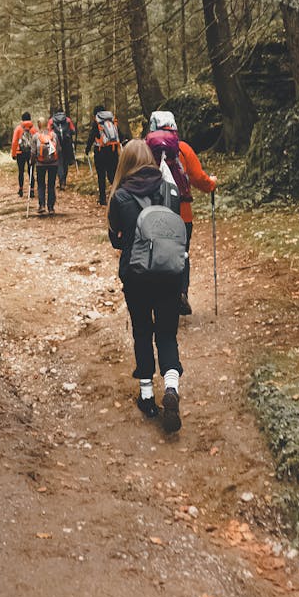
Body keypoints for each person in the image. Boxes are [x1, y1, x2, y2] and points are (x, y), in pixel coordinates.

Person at [108, 139, 184, 433]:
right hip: (170, 273)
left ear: (125, 162)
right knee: (167, 333)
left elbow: (116, 239)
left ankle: (148, 398)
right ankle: (172, 387)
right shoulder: (169, 189)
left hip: (137, 275)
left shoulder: (121, 196)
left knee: (142, 329)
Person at [146, 110, 217, 317]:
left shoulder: (145, 149)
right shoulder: (183, 149)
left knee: (153, 253)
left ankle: (155, 296)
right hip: (182, 215)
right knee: (181, 254)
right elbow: (198, 178)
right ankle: (180, 293)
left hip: (152, 214)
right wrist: (211, 184)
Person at [84, 105, 121, 205]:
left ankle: (103, 199)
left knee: (101, 176)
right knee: (112, 175)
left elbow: (92, 136)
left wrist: (87, 149)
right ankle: (117, 196)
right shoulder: (112, 120)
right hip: (113, 151)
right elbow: (119, 134)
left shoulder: (97, 122)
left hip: (100, 152)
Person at [32, 117, 59, 215]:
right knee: (51, 185)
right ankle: (51, 207)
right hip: (53, 163)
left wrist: (32, 162)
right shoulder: (53, 135)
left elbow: (33, 152)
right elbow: (58, 149)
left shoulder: (36, 136)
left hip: (40, 163)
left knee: (41, 185)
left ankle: (42, 205)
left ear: (39, 125)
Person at [10, 112, 37, 198]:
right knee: (31, 171)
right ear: (30, 119)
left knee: (21, 172)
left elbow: (14, 142)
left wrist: (13, 153)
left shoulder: (18, 129)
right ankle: (32, 190)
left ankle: (21, 189)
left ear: (22, 119)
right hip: (30, 153)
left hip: (20, 153)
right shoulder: (33, 129)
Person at [48, 107, 76, 189]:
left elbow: (49, 131)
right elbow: (73, 130)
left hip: (56, 143)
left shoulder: (51, 120)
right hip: (67, 144)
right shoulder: (67, 120)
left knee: (59, 162)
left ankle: (61, 181)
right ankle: (64, 180)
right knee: (65, 162)